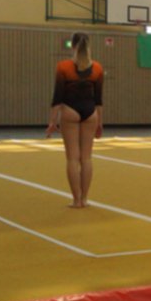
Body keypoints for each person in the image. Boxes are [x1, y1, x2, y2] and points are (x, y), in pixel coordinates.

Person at [45, 32, 104, 209]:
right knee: (86, 158)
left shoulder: (63, 67)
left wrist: (52, 122)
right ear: (89, 46)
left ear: (72, 45)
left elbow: (57, 97)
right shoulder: (97, 68)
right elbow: (99, 100)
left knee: (72, 158)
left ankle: (76, 200)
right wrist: (99, 122)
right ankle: (85, 199)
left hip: (70, 111)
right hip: (90, 113)